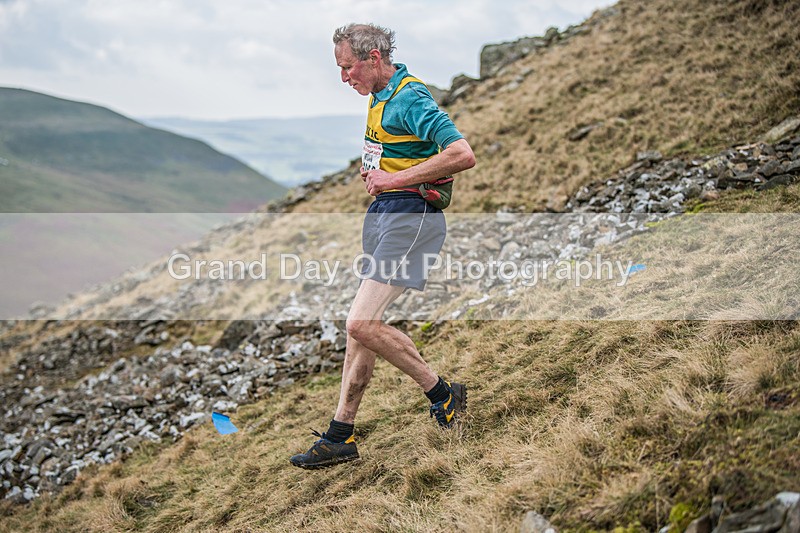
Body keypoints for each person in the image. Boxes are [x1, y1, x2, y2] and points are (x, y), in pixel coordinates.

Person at [290, 23, 475, 469]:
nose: (343, 77)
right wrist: (381, 171)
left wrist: (393, 179)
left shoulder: (409, 95)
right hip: (385, 216)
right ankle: (340, 435)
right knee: (360, 332)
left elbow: (462, 153)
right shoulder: (379, 96)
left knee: (360, 323)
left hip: (411, 219)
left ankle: (442, 393)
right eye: (339, 68)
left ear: (374, 58)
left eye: (348, 67)